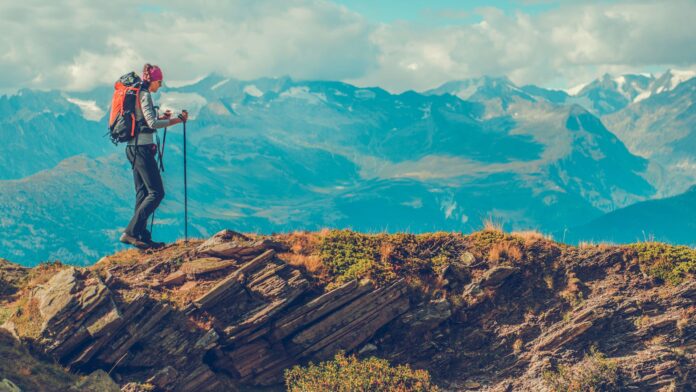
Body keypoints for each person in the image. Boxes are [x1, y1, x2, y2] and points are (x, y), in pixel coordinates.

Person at [119, 64, 188, 249]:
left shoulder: (136, 93)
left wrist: (160, 114)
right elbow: (152, 123)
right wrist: (177, 120)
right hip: (142, 149)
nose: (160, 85)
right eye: (159, 82)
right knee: (157, 192)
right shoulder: (145, 94)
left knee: (142, 194)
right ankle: (131, 233)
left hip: (132, 148)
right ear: (153, 81)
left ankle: (141, 235)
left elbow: (143, 117)